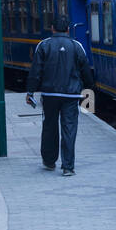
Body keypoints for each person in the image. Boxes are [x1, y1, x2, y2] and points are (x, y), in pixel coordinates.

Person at [26, 15, 94, 176]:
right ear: (68, 29)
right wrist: (89, 91)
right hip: (71, 95)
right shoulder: (76, 46)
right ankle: (68, 167)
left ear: (52, 29)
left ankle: (49, 161)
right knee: (69, 129)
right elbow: (85, 71)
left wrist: (30, 92)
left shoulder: (43, 45)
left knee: (49, 127)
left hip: (49, 95)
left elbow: (36, 72)